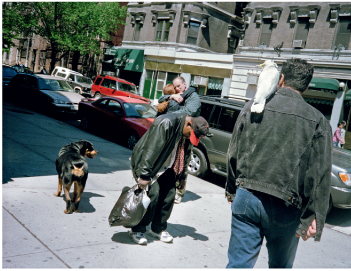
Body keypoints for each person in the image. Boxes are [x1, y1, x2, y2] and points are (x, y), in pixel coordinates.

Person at [225, 58, 332, 268]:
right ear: (307, 86)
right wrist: (313, 217)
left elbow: (233, 152)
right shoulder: (318, 120)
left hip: (247, 195)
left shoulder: (253, 106)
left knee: (237, 265)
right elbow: (319, 175)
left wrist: (231, 190)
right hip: (286, 206)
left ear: (281, 79)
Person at [129, 113, 209, 245]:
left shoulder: (187, 131)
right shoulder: (166, 123)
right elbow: (150, 150)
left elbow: (186, 155)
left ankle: (158, 229)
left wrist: (182, 176)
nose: (190, 138)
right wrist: (144, 175)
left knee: (168, 197)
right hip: (152, 166)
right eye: (191, 134)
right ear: (189, 124)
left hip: (169, 167)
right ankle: (137, 229)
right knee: (151, 197)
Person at [158, 77, 202, 204]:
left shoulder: (193, 97)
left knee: (182, 165)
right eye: (175, 86)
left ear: (184, 84)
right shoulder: (178, 94)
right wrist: (171, 97)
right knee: (171, 163)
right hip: (176, 134)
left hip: (187, 136)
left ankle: (179, 192)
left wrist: (171, 112)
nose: (177, 88)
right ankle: (168, 188)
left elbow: (189, 111)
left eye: (179, 86)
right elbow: (161, 99)